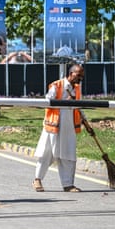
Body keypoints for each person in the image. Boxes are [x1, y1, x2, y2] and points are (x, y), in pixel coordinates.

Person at [33, 64, 84, 192]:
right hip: (53, 126)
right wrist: (65, 101)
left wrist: (85, 122)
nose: (80, 78)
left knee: (68, 155)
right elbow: (47, 102)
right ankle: (37, 180)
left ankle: (68, 184)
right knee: (46, 154)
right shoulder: (57, 85)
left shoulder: (77, 89)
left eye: (82, 76)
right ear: (71, 73)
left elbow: (78, 108)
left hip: (69, 127)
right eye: (78, 75)